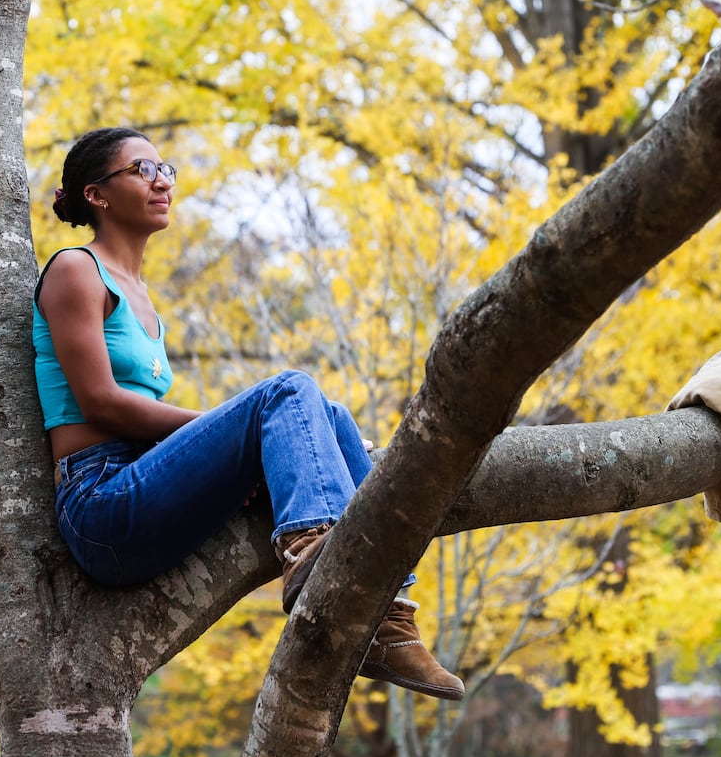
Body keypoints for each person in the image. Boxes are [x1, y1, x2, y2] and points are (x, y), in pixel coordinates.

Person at [33, 127, 464, 700]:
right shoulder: (75, 270)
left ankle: (389, 616)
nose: (162, 181)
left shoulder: (143, 296)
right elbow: (100, 402)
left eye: (166, 169)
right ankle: (316, 556)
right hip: (101, 502)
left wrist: (237, 450)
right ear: (97, 195)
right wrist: (239, 433)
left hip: (143, 486)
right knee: (287, 394)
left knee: (328, 417)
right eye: (142, 170)